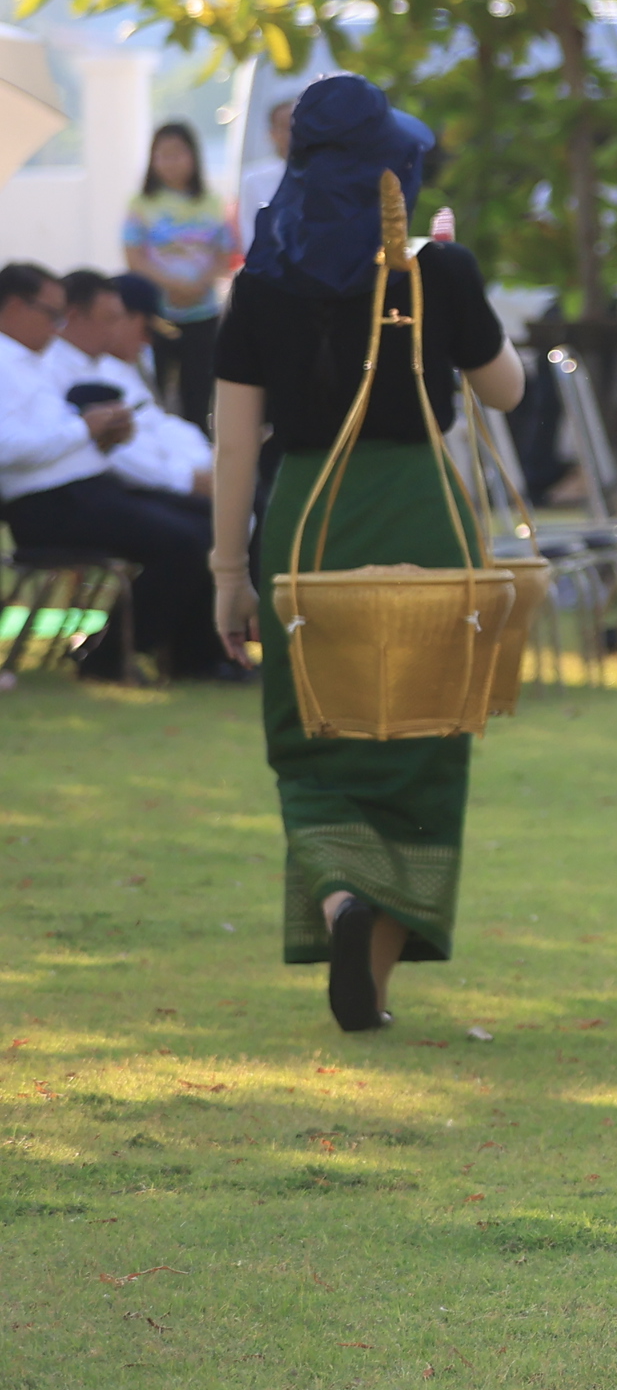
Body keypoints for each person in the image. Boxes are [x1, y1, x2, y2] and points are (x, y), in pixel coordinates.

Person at [204, 77, 524, 1031]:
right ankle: (370, 950)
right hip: (421, 515)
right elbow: (503, 392)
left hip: (308, 516)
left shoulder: (258, 284)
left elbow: (233, 443)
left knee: (316, 739)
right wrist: (455, 274)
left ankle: (345, 904)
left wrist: (228, 573)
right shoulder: (439, 270)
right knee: (420, 741)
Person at [3, 260, 232, 679]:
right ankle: (108, 660)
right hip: (46, 503)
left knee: (212, 528)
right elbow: (6, 448)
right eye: (51, 314)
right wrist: (84, 430)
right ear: (15, 306)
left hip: (85, 488)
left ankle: (196, 658)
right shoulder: (8, 361)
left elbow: (62, 432)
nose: (57, 326)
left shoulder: (31, 361)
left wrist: (104, 433)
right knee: (183, 543)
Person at [52, 272, 217, 499]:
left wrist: (204, 464)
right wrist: (189, 478)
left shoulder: (110, 365)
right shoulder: (76, 368)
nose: (148, 342)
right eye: (146, 330)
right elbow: (121, 449)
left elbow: (160, 425)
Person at [123, 122, 236, 424]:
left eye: (178, 154)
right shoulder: (141, 203)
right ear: (152, 159)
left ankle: (200, 458)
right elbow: (134, 256)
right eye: (164, 155)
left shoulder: (212, 201)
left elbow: (224, 252)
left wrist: (199, 284)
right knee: (157, 391)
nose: (171, 162)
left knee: (199, 393)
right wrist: (172, 284)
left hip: (203, 313)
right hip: (158, 315)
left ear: (194, 157)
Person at [235, 95, 296, 228]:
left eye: (295, 125)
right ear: (272, 133)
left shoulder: (322, 173)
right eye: (285, 127)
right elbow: (249, 230)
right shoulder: (254, 179)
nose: (292, 133)